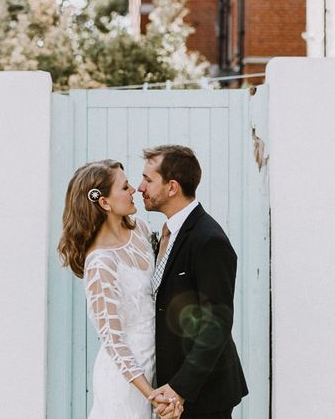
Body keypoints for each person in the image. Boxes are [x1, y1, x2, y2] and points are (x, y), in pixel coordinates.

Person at [58, 159, 183, 419]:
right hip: (126, 383)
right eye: (125, 187)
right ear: (104, 203)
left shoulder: (140, 229)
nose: (134, 190)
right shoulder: (101, 263)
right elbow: (113, 341)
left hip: (157, 365)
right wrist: (150, 393)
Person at [139, 145, 248, 419]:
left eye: (148, 180)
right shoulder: (167, 232)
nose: (140, 187)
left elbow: (216, 325)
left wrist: (179, 388)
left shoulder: (208, 240)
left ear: (172, 187)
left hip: (205, 395)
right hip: (171, 389)